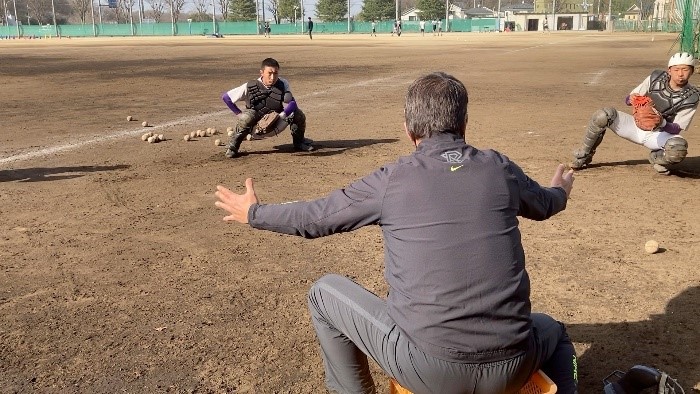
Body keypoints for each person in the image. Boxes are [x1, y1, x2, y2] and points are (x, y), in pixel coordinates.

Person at [215, 72, 578, 393]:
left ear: (408, 128)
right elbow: (547, 205)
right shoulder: (500, 169)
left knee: (324, 293)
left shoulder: (392, 180)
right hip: (512, 366)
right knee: (555, 332)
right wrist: (560, 188)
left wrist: (254, 213)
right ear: (464, 123)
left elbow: (316, 217)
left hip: (428, 370)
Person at [571, 52, 698, 174]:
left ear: (692, 71)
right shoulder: (656, 78)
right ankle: (585, 155)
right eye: (676, 69)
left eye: (685, 69)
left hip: (658, 135)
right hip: (635, 127)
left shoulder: (691, 97)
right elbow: (628, 99)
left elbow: (676, 129)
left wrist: (661, 122)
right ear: (669, 70)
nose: (680, 74)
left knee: (678, 147)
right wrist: (634, 100)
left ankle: (657, 158)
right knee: (603, 115)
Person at [220, 57, 314, 158]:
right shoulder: (249, 86)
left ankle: (299, 142)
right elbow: (226, 97)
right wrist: (239, 114)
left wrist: (281, 116)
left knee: (298, 114)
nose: (273, 77)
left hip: (276, 123)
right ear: (262, 72)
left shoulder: (282, 83)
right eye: (269, 73)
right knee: (246, 117)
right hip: (255, 128)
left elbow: (292, 104)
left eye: (275, 73)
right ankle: (232, 147)